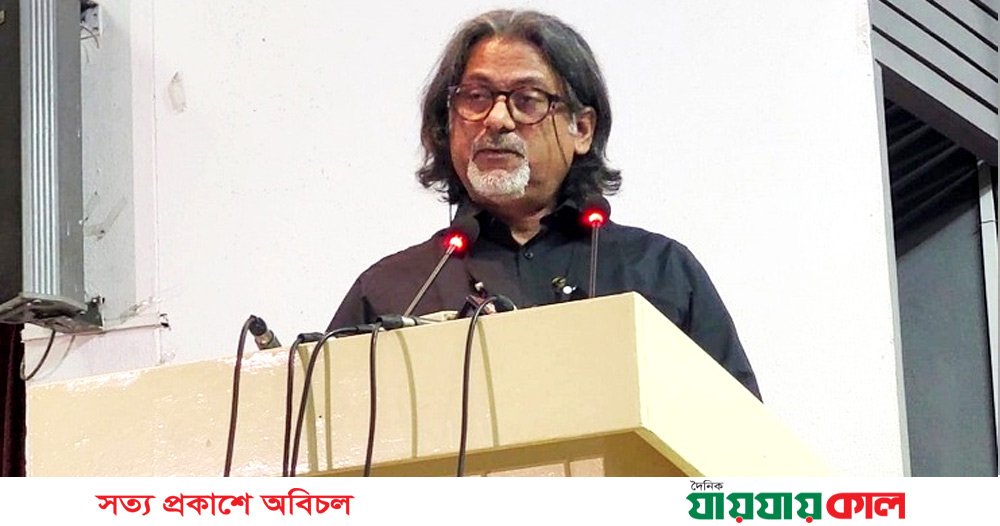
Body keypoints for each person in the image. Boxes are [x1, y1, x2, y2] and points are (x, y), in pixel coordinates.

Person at [327, 9, 760, 399]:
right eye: (475, 97)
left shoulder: (659, 272)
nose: (497, 120)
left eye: (527, 100)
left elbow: (743, 439)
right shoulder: (395, 291)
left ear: (582, 130)